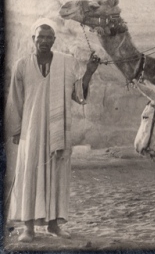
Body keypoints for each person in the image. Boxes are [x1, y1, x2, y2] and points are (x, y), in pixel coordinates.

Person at [7, 18, 101, 243]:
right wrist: (17, 130)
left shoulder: (65, 63)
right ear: (33, 39)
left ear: (54, 40)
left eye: (49, 38)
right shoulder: (21, 65)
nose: (44, 41)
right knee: (29, 175)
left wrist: (89, 72)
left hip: (57, 131)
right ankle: (28, 228)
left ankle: (53, 225)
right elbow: (15, 100)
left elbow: (77, 94)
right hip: (31, 131)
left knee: (56, 176)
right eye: (40, 37)